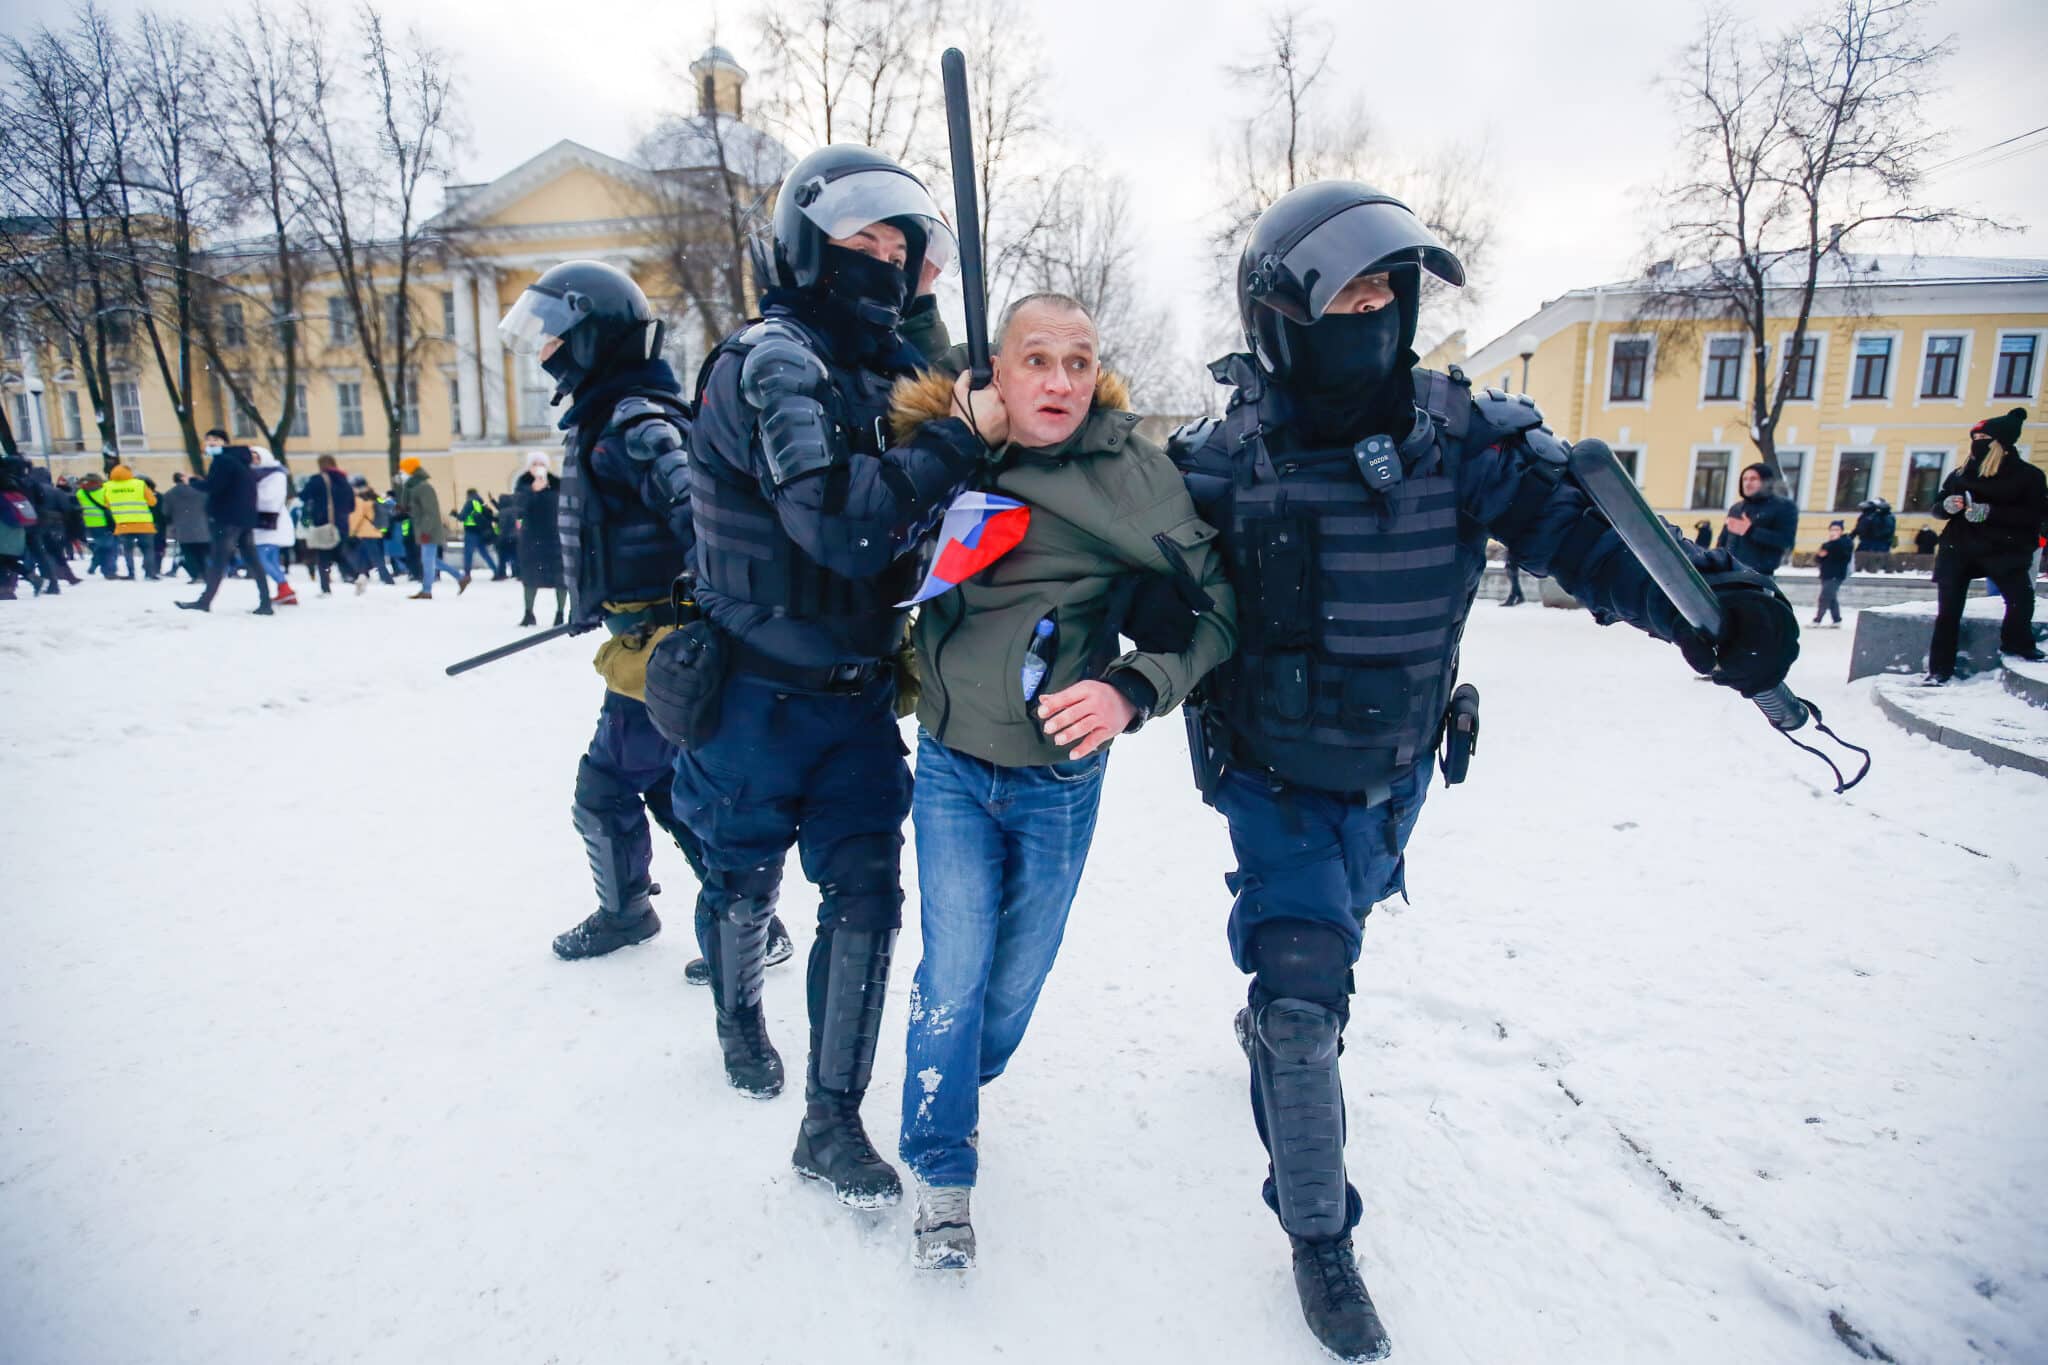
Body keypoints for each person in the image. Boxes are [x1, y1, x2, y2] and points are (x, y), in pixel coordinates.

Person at [1169, 182, 1799, 1362]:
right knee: (1304, 995)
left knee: (1322, 939)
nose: (1368, 311)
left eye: (1383, 291)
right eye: (1342, 292)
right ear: (1279, 313)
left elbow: (1580, 532)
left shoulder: (1459, 435)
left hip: (1393, 774)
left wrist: (1706, 611)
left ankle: (1274, 1004)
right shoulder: (1216, 461)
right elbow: (1116, 561)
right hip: (1271, 772)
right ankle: (1318, 1239)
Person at [657, 144, 981, 1210]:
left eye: (899, 246)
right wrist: (950, 442)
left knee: (867, 899)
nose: (882, 261)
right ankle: (737, 1010)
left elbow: (929, 423)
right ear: (805, 243)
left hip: (851, 698)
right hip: (752, 696)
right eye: (862, 241)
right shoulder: (771, 359)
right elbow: (841, 526)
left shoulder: (873, 365)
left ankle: (829, 1122)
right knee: (740, 882)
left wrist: (954, 385)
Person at [890, 293, 1238, 1269]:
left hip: (1057, 783)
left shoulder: (1129, 477)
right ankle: (942, 1171)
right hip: (952, 766)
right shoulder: (950, 447)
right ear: (994, 372)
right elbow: (859, 549)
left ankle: (953, 1076)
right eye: (1033, 359)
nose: (1056, 381)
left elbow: (1217, 615)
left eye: (1076, 362)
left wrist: (1133, 688)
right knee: (952, 977)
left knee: (1005, 1000)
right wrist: (954, 445)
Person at [495, 260, 795, 974]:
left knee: (609, 787)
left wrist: (692, 623)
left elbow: (705, 523)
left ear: (591, 338)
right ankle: (732, 920)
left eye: (553, 336)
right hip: (642, 643)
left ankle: (660, 915)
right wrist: (597, 598)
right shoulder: (609, 415)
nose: (543, 352)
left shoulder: (635, 423)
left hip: (664, 646)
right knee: (666, 787)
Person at [1924, 408, 2046, 684]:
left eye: (1983, 436)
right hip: (1959, 548)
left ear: (2001, 442)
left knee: (2020, 599)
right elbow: (1938, 506)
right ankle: (1938, 669)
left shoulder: (2029, 477)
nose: (1976, 441)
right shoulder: (1961, 472)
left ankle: (2017, 643)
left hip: (2004, 549)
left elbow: (2035, 516)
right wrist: (1946, 506)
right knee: (1948, 612)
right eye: (1974, 435)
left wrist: (1990, 512)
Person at [179, 430, 272, 615]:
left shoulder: (223, 461)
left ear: (225, 442)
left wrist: (192, 482)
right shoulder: (242, 462)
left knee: (218, 561)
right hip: (244, 518)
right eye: (208, 440)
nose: (211, 443)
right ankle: (266, 602)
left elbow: (214, 487)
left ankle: (204, 602)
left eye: (216, 440)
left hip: (226, 518)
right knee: (253, 561)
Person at [510, 454, 566, 627]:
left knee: (560, 578)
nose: (538, 466)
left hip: (555, 538)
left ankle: (560, 613)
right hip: (531, 539)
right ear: (529, 467)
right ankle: (528, 613)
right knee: (530, 577)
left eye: (541, 463)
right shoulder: (523, 484)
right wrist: (532, 491)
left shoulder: (557, 484)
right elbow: (518, 508)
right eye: (534, 464)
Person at [1719, 463, 1798, 577]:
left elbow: (1786, 541)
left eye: (1753, 479)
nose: (1747, 483)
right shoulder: (1736, 508)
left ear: (1766, 482)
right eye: (1745, 479)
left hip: (1760, 577)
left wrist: (1751, 530)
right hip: (1729, 574)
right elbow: (1723, 541)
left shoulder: (1783, 507)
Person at [397, 457, 460, 598]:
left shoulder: (423, 487)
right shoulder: (413, 487)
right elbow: (417, 509)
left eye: (403, 470)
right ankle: (460, 578)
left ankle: (427, 591)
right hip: (424, 530)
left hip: (429, 531)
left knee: (428, 561)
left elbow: (430, 512)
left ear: (410, 471)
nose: (401, 473)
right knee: (430, 560)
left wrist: (425, 531)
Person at [300, 455, 356, 594]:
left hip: (325, 524)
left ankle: (325, 588)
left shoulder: (318, 480)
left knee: (323, 557)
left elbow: (303, 496)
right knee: (339, 554)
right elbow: (352, 506)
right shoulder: (344, 481)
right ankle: (357, 575)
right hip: (342, 525)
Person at [102, 463, 160, 581]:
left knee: (128, 550)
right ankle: (149, 573)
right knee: (147, 549)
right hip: (143, 523)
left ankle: (131, 573)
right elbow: (152, 502)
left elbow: (106, 504)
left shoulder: (107, 486)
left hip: (123, 524)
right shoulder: (139, 484)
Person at [162, 472, 212, 583]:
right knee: (203, 553)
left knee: (189, 554)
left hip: (182, 529)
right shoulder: (201, 492)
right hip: (203, 528)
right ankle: (206, 575)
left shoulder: (169, 494)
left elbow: (166, 512)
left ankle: (196, 575)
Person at [75, 473, 117, 578]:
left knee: (101, 546)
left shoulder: (80, 493)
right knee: (109, 548)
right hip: (105, 524)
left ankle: (93, 566)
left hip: (90, 524)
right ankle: (108, 571)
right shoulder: (105, 492)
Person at [457, 487, 504, 580]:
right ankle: (496, 571)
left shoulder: (470, 503)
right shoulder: (481, 502)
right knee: (484, 553)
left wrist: (455, 514)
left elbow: (462, 517)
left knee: (468, 554)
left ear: (468, 494)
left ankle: (467, 574)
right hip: (481, 532)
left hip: (471, 532)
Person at [1813, 520, 1853, 628]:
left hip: (1837, 575)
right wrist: (1820, 556)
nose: (1833, 532)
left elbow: (1845, 556)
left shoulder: (1845, 543)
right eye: (1832, 529)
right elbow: (1818, 558)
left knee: (1824, 597)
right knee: (1831, 598)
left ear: (1841, 531)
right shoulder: (1827, 544)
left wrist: (1835, 543)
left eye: (1836, 529)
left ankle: (1817, 620)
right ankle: (1837, 620)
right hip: (1826, 574)